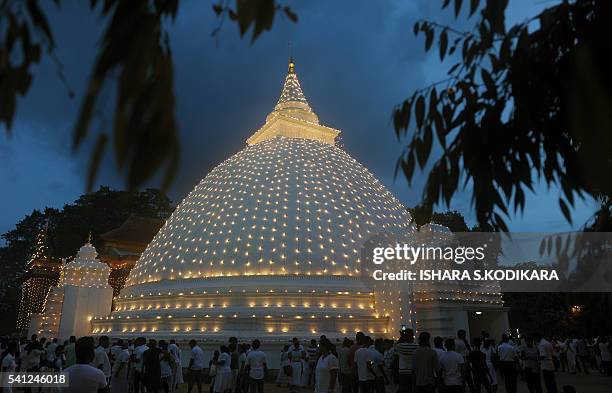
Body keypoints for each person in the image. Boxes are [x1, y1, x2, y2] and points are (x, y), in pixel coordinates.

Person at [396, 327, 418, 393]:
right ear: (412, 336)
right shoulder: (417, 346)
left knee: (404, 389)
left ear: (405, 337)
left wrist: (402, 336)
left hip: (403, 372)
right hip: (414, 371)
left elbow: (396, 344)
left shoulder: (400, 346)